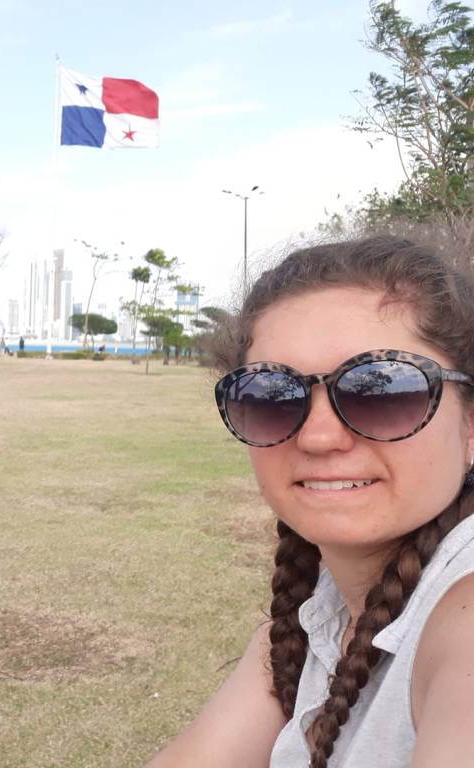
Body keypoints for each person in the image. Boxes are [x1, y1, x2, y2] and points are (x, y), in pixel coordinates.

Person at [147, 235, 474, 768]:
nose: (319, 438)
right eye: (270, 395)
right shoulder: (313, 615)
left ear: (470, 424)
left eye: (383, 390)